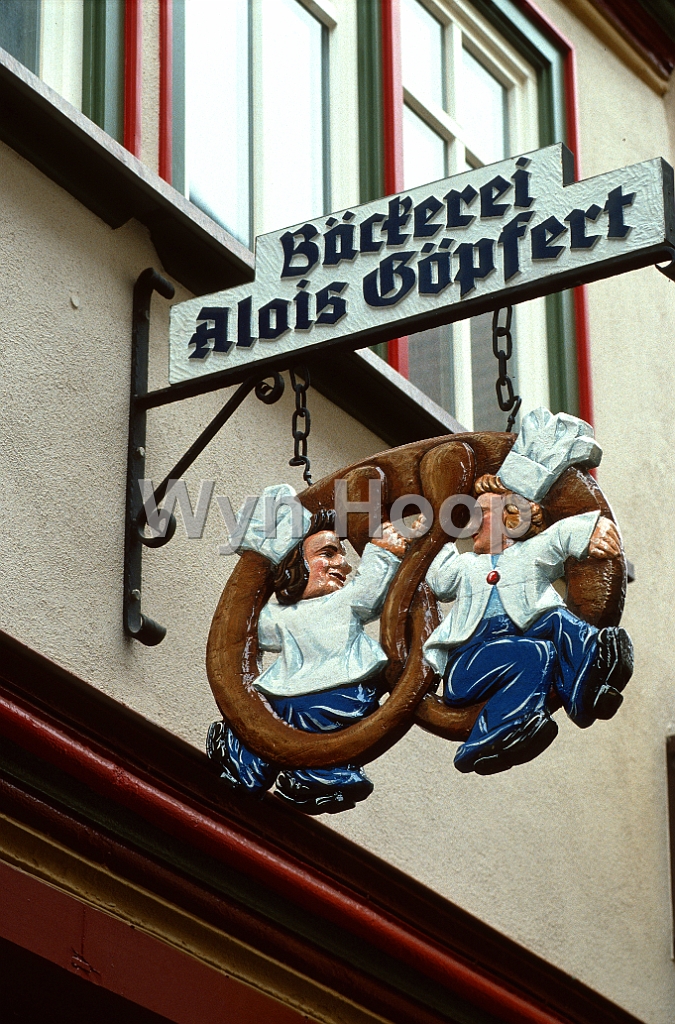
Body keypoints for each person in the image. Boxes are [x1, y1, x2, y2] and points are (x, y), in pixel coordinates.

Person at [423, 408, 634, 777]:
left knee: (551, 624)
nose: (471, 523)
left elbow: (560, 536)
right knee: (533, 652)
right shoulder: (467, 565)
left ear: (512, 518)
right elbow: (439, 579)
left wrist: (592, 529)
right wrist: (428, 535)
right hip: (467, 666)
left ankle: (586, 690)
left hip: (517, 649)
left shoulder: (528, 555)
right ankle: (489, 737)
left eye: (481, 514)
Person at [208, 486, 408, 814]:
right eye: (328, 554)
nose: (342, 565)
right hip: (288, 697)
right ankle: (249, 770)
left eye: (342, 556)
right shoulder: (280, 615)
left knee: (314, 729)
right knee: (267, 723)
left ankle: (320, 779)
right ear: (296, 563)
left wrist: (384, 550)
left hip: (339, 696)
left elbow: (370, 590)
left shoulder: (345, 602)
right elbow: (243, 635)